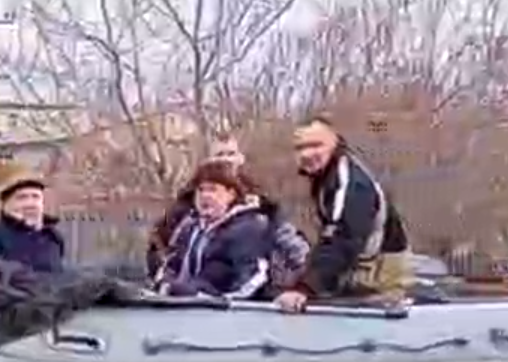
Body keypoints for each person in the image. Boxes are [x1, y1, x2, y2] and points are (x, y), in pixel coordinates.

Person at [273, 115, 411, 313]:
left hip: (379, 283)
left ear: (335, 143)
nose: (306, 154)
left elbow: (342, 239)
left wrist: (305, 288)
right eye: (300, 148)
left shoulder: (349, 183)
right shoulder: (326, 179)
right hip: (359, 276)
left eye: (316, 145)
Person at [147, 133, 310, 296]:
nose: (226, 160)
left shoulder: (260, 207)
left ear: (241, 158)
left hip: (228, 300)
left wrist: (307, 280)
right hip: (190, 297)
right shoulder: (186, 211)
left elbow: (283, 241)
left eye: (231, 154)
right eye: (220, 155)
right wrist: (164, 283)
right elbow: (162, 248)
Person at [151, 160, 272, 299]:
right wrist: (165, 285)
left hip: (229, 314)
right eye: (201, 190)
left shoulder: (249, 229)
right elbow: (170, 266)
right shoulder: (188, 228)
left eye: (213, 190)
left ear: (231, 194)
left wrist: (209, 297)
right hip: (186, 310)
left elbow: (252, 279)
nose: (205, 196)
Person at [0, 175, 66, 273]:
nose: (30, 203)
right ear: (5, 205)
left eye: (36, 197)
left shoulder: (53, 237)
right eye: (21, 197)